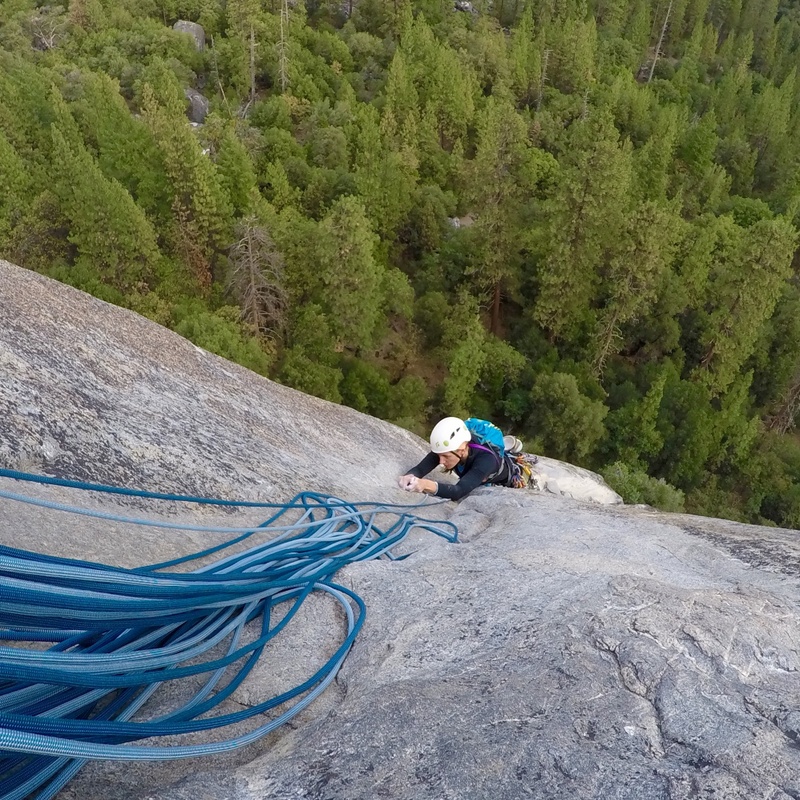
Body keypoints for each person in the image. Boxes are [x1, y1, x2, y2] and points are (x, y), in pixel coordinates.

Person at [398, 416, 524, 501]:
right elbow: (420, 469)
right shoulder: (451, 449)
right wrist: (410, 475)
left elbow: (458, 491)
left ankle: (512, 452)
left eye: (445, 457)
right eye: (439, 456)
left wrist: (425, 484)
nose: (441, 462)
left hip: (503, 476)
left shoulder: (486, 460)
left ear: (462, 449)